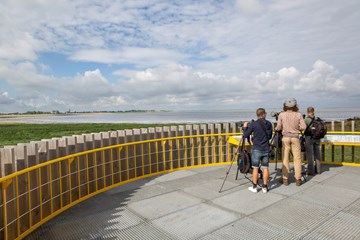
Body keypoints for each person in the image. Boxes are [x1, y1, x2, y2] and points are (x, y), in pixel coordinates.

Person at [275, 98, 306, 186]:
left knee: (285, 158)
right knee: (297, 159)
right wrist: (297, 128)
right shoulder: (298, 114)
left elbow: (278, 127)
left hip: (285, 138)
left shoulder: (281, 114)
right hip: (295, 137)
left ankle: (285, 179)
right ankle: (298, 179)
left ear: (285, 105)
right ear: (295, 105)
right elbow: (304, 127)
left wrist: (277, 129)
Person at [243, 108, 273, 193]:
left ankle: (255, 187)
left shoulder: (254, 124)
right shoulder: (269, 124)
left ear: (257, 115)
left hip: (256, 149)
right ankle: (265, 187)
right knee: (265, 168)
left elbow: (245, 135)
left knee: (255, 168)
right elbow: (270, 136)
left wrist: (245, 127)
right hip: (266, 148)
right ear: (264, 114)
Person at [304, 107, 321, 175]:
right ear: (313, 111)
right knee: (317, 154)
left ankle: (310, 171)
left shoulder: (306, 119)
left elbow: (303, 128)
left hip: (309, 137)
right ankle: (318, 170)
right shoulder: (317, 119)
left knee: (310, 155)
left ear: (307, 111)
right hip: (317, 138)